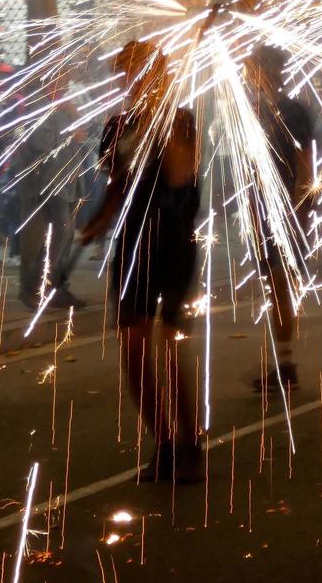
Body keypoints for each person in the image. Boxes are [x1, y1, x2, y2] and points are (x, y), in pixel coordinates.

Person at [78, 41, 202, 482]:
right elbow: (117, 186)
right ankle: (163, 442)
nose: (128, 83)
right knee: (133, 346)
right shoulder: (116, 127)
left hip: (174, 243)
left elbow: (179, 175)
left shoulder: (182, 121)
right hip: (134, 244)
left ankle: (191, 443)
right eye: (123, 74)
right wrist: (96, 222)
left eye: (136, 73)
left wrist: (157, 119)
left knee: (170, 347)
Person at [244, 44, 315, 392]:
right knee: (276, 288)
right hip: (264, 209)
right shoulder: (259, 109)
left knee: (281, 287)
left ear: (266, 71)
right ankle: (283, 363)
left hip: (285, 210)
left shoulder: (292, 111)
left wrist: (300, 212)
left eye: (252, 67)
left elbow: (306, 167)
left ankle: (286, 364)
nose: (246, 73)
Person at [18, 80, 89, 310]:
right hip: (51, 182)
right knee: (59, 231)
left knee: (66, 235)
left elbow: (83, 133)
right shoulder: (39, 108)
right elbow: (40, 142)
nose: (65, 90)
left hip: (68, 181)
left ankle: (55, 285)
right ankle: (37, 286)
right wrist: (70, 133)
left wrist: (73, 113)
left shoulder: (63, 108)